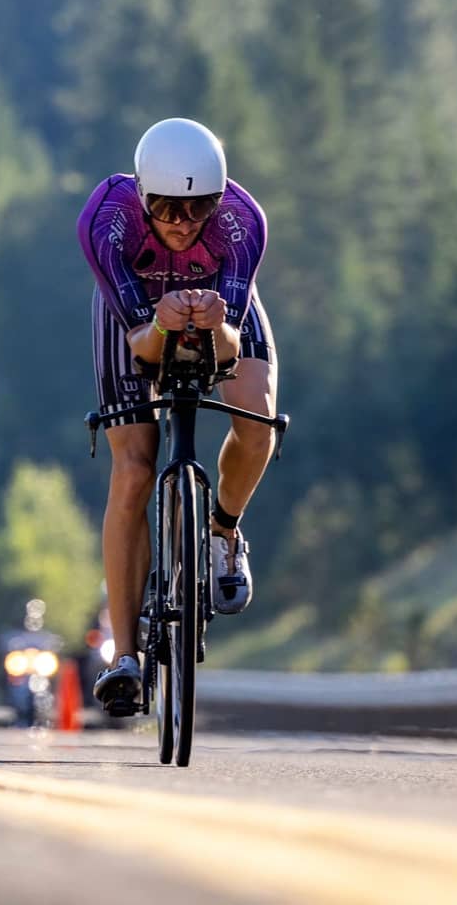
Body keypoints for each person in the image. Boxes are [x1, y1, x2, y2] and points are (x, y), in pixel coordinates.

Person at [77, 117, 277, 715]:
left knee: (259, 421)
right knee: (133, 471)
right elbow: (141, 345)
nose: (185, 224)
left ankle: (222, 532)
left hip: (220, 314)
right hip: (135, 315)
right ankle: (125, 656)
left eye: (200, 210)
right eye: (168, 209)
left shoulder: (243, 226)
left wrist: (211, 322)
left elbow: (229, 352)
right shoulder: (106, 222)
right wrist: (165, 321)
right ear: (143, 197)